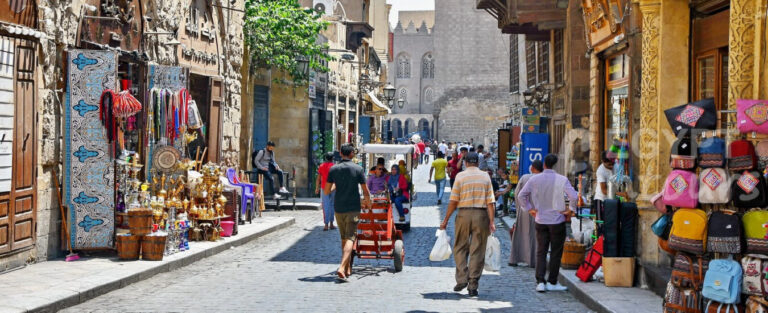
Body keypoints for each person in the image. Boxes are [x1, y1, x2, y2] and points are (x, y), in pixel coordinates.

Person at [518, 154, 578, 293]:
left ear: (544, 164)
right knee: (556, 252)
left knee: (541, 250)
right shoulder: (561, 179)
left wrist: (529, 209)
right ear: (555, 165)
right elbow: (574, 196)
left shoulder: (535, 179)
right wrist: (571, 210)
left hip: (541, 219)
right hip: (557, 220)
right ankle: (552, 281)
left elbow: (521, 195)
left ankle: (540, 281)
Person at [440, 152, 496, 297]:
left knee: (459, 247)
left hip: (463, 214)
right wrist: (492, 221)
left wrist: (445, 220)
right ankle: (473, 284)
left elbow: (453, 201)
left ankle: (462, 278)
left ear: (465, 162)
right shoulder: (485, 176)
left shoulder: (460, 176)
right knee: (478, 249)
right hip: (481, 215)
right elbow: (490, 202)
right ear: (477, 162)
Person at [325, 144, 371, 282]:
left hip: (339, 208)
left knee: (344, 238)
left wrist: (337, 185)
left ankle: (347, 268)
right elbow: (365, 190)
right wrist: (368, 202)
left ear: (340, 153)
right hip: (353, 207)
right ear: (351, 154)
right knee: (351, 237)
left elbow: (327, 191)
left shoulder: (334, 169)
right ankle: (341, 267)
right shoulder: (358, 169)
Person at [509, 161, 543, 267]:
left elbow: (517, 193)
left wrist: (519, 208)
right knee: (536, 235)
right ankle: (534, 260)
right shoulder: (544, 179)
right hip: (538, 211)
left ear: (532, 168)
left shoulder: (524, 178)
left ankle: (515, 258)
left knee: (520, 234)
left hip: (524, 210)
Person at [315, 152, 336, 231]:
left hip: (324, 187)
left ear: (326, 158)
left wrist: (317, 188)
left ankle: (326, 224)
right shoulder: (334, 167)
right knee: (332, 205)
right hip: (333, 188)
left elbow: (318, 178)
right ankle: (331, 223)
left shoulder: (321, 166)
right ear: (332, 158)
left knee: (325, 205)